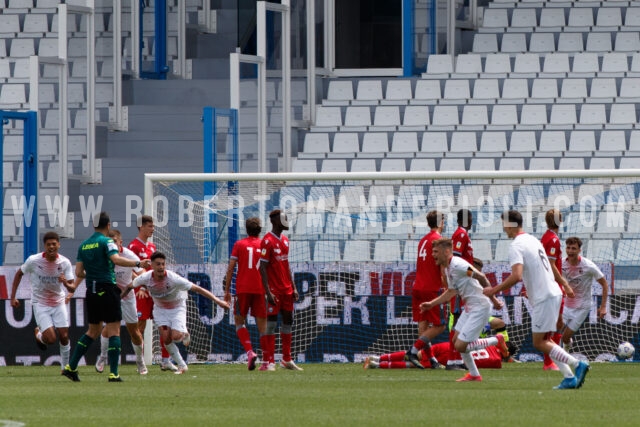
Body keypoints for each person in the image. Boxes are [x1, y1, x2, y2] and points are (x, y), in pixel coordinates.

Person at [483, 210, 590, 390]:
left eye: (504, 224)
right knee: (548, 340)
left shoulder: (516, 245)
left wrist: (493, 290)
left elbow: (516, 275)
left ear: (510, 224)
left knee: (539, 342)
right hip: (552, 292)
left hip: (544, 295)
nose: (504, 229)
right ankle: (569, 377)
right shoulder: (532, 239)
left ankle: (577, 364)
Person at [62, 212, 151, 382]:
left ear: (94, 225)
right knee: (114, 330)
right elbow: (116, 259)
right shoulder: (107, 241)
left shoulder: (84, 245)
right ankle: (114, 373)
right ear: (108, 225)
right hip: (108, 289)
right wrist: (138, 263)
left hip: (92, 291)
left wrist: (89, 275)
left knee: (93, 330)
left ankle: (71, 367)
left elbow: (79, 272)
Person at [125, 252, 230, 374]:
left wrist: (219, 301)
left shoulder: (173, 278)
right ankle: (182, 365)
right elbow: (129, 286)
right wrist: (119, 298)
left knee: (175, 337)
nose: (161, 267)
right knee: (166, 338)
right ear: (152, 265)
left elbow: (198, 289)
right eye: (158, 264)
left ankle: (184, 334)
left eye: (163, 264)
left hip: (177, 308)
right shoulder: (145, 277)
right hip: (160, 310)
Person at [419, 238, 507, 382]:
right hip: (469, 307)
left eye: (435, 252)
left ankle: (496, 340)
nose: (433, 255)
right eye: (432, 251)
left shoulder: (459, 265)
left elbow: (481, 276)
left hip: (480, 307)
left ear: (446, 251)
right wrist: (431, 304)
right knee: (455, 341)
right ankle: (474, 374)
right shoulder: (449, 268)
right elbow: (451, 292)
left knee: (460, 345)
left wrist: (494, 299)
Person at [10, 231, 75, 372]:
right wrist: (13, 297)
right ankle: (39, 334)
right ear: (44, 246)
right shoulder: (34, 260)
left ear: (59, 244)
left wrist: (65, 283)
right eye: (48, 244)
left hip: (58, 302)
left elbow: (72, 287)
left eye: (54, 244)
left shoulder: (64, 263)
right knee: (51, 339)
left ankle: (65, 368)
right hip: (40, 303)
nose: (51, 247)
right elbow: (19, 274)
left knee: (64, 336)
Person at [95, 229, 147, 376]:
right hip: (111, 297)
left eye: (115, 242)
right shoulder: (104, 255)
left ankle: (140, 362)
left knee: (134, 332)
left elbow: (142, 272)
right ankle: (103, 358)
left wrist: (140, 285)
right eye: (109, 243)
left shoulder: (129, 255)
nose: (112, 246)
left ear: (120, 242)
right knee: (108, 329)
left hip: (128, 297)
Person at [127, 215, 174, 372]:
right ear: (141, 227)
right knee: (140, 327)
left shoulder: (152, 247)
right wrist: (141, 285)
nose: (153, 229)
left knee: (164, 324)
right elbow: (130, 269)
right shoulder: (133, 246)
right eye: (150, 226)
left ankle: (166, 360)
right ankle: (140, 362)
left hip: (156, 292)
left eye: (153, 226)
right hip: (142, 292)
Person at [259, 209, 302, 371]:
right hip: (274, 291)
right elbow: (262, 267)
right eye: (283, 218)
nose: (286, 220)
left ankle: (286, 359)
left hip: (287, 290)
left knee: (288, 321)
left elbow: (286, 265)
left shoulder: (285, 240)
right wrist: (267, 291)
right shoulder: (267, 241)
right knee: (270, 324)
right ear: (275, 221)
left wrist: (294, 286)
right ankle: (269, 361)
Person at [223, 217, 267, 371]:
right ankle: (267, 362)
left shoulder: (239, 244)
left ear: (246, 229)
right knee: (263, 327)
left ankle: (250, 352)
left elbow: (231, 268)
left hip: (242, 290)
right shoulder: (264, 245)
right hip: (261, 289)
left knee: (239, 322)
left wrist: (227, 290)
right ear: (259, 229)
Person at [405, 210, 446, 370]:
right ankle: (413, 351)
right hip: (432, 288)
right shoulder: (439, 241)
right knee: (440, 325)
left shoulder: (422, 240)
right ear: (441, 222)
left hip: (418, 287)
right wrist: (448, 288)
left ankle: (431, 360)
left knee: (424, 325)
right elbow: (442, 269)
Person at [540, 209, 574, 371]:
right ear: (560, 221)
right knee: (553, 323)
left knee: (557, 322)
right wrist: (565, 284)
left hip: (549, 285)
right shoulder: (552, 239)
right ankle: (549, 362)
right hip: (553, 286)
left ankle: (553, 359)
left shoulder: (546, 237)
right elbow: (551, 265)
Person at [561, 237, 609, 352]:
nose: (570, 251)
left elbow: (605, 284)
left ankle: (566, 350)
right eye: (568, 248)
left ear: (579, 250)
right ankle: (558, 359)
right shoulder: (561, 263)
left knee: (565, 337)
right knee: (554, 332)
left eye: (574, 248)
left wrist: (603, 307)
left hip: (582, 307)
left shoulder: (588, 266)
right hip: (565, 305)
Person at [446, 208, 474, 370]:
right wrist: (472, 273)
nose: (472, 222)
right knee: (457, 321)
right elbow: (456, 260)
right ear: (467, 220)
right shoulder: (461, 235)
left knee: (460, 322)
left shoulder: (462, 234)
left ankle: (457, 359)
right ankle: (452, 360)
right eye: (470, 218)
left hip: (463, 284)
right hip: (460, 284)